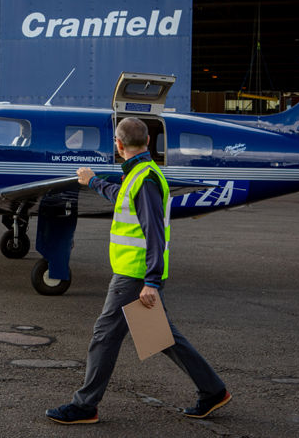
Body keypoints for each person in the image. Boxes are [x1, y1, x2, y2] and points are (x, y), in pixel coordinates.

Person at [45, 117, 230, 425]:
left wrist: (152, 282)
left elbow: (154, 232)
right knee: (161, 338)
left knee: (104, 336)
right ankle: (213, 391)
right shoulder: (139, 175)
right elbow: (121, 198)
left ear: (118, 145)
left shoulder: (144, 179)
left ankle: (85, 405)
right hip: (135, 274)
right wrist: (93, 182)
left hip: (135, 277)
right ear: (146, 142)